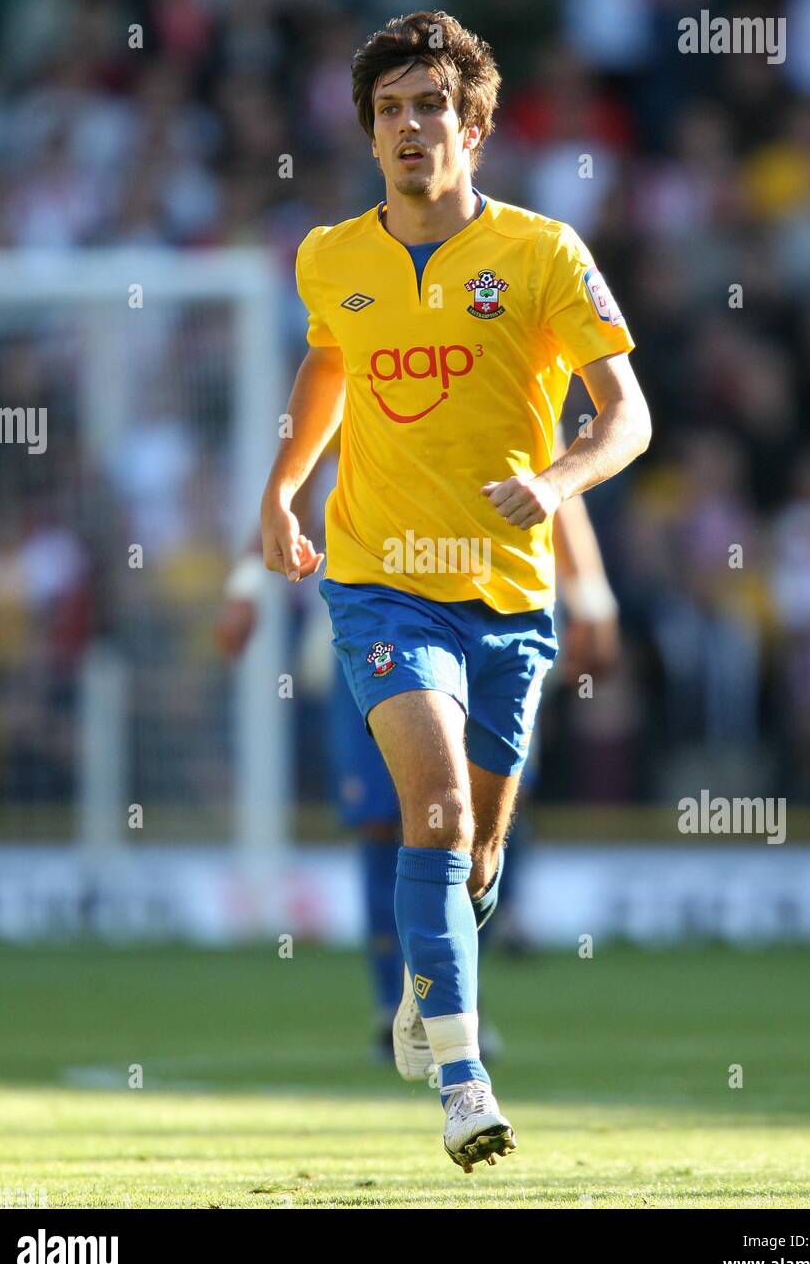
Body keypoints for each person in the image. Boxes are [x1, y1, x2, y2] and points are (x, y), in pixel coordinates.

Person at [259, 10, 650, 1172]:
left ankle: (428, 987)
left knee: (476, 851)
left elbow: (624, 414)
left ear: (472, 125)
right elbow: (329, 360)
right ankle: (463, 1079)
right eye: (389, 110)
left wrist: (557, 474)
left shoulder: (540, 254)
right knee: (425, 810)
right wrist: (281, 491)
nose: (409, 127)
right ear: (369, 134)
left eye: (430, 105)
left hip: (507, 595)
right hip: (381, 585)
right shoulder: (332, 256)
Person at [216, 432, 622, 1058]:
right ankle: (396, 1008)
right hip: (375, 627)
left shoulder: (508, 356)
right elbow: (288, 486)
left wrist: (590, 593)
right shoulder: (368, 359)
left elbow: (559, 476)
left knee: (479, 825)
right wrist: (247, 583)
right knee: (385, 822)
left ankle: (455, 1000)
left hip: (493, 614)